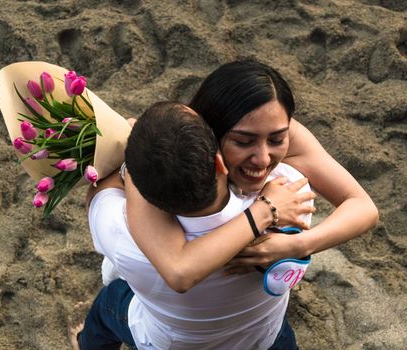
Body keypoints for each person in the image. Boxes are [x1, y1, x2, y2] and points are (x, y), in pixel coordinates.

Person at [74, 101, 315, 350]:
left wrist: (130, 156)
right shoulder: (289, 195)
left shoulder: (124, 236)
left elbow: (98, 193)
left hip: (174, 343)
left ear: (143, 193)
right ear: (219, 164)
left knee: (109, 304)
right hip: (263, 337)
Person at [125, 59, 378, 286]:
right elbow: (179, 271)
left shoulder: (290, 134)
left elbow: (363, 208)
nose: (263, 158)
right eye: (243, 142)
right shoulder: (177, 166)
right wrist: (266, 210)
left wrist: (296, 246)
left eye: (277, 139)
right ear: (210, 134)